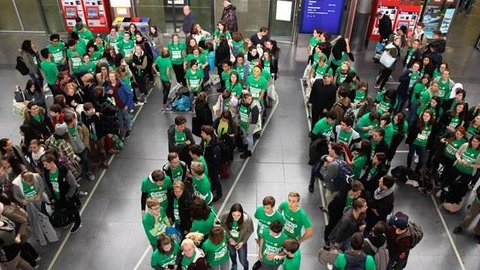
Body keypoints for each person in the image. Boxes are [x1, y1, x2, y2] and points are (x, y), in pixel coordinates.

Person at [41, 153, 82, 233]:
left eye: (46, 164)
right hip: (56, 196)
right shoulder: (45, 172)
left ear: (51, 162)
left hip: (67, 196)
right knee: (65, 209)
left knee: (73, 208)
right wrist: (51, 197)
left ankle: (77, 221)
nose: (45, 166)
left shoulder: (63, 169)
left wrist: (69, 195)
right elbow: (46, 185)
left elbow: (73, 184)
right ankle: (70, 219)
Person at [220, 203, 253, 270]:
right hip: (230, 242)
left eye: (238, 215)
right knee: (232, 254)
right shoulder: (225, 216)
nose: (236, 217)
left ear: (242, 213)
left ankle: (246, 268)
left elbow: (250, 231)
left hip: (241, 242)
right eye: (233, 215)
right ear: (230, 213)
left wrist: (242, 242)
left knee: (243, 260)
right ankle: (234, 264)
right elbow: (223, 226)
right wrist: (229, 238)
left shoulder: (247, 220)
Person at [105, 71, 133, 138]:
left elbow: (130, 94)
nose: (111, 78)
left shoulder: (122, 84)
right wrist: (108, 93)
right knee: (119, 119)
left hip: (123, 105)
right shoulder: (108, 86)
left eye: (113, 76)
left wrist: (127, 105)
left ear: (115, 77)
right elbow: (106, 94)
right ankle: (122, 132)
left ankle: (128, 129)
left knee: (126, 118)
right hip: (116, 107)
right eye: (110, 77)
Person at [200, 126, 222, 202]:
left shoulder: (215, 147)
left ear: (208, 135)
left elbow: (216, 161)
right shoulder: (204, 141)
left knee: (215, 179)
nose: (201, 134)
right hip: (207, 164)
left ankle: (219, 194)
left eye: (203, 133)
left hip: (213, 167)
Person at [238, 92, 262, 158]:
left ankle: (249, 151)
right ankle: (245, 147)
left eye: (251, 99)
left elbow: (254, 119)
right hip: (243, 124)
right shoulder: (240, 102)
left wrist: (250, 129)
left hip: (249, 126)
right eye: (248, 99)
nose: (250, 100)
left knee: (249, 138)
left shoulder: (254, 107)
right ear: (244, 99)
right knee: (245, 136)